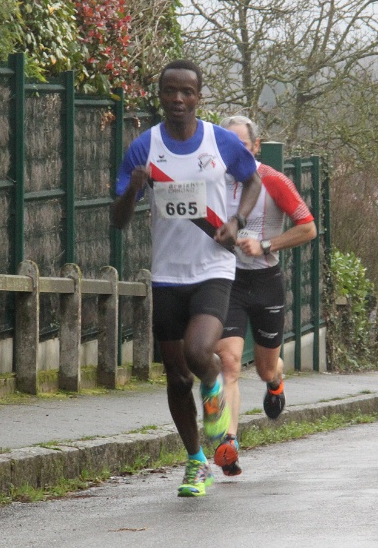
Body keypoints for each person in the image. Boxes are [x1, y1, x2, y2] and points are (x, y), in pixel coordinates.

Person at [111, 60, 262, 497]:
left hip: (213, 267)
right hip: (167, 274)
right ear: (160, 95)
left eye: (187, 92)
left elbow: (252, 182)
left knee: (199, 352)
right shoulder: (144, 146)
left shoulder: (220, 141)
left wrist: (237, 221)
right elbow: (117, 220)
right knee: (177, 377)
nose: (178, 99)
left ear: (199, 96)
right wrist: (133, 188)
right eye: (170, 91)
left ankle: (214, 394)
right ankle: (197, 462)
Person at [213, 115, 317, 477]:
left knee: (264, 368)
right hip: (228, 280)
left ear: (255, 147)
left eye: (242, 145)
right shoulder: (214, 180)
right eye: (227, 145)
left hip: (266, 282)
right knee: (228, 362)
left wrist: (266, 245)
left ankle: (275, 382)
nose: (234, 153)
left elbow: (308, 228)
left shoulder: (273, 180)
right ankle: (228, 443)